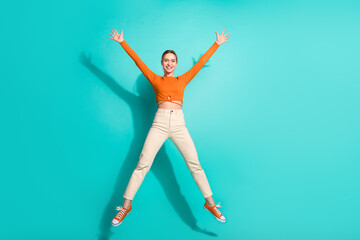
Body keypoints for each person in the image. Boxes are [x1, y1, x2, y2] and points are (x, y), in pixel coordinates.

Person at [109, 28, 230, 226]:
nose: (169, 63)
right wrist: (122, 42)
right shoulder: (155, 79)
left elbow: (199, 65)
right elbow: (137, 61)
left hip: (179, 124)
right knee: (143, 164)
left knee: (194, 164)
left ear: (176, 63)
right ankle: (125, 207)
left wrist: (216, 44)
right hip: (159, 123)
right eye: (166, 60)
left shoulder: (183, 79)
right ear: (162, 63)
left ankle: (210, 204)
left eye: (172, 60)